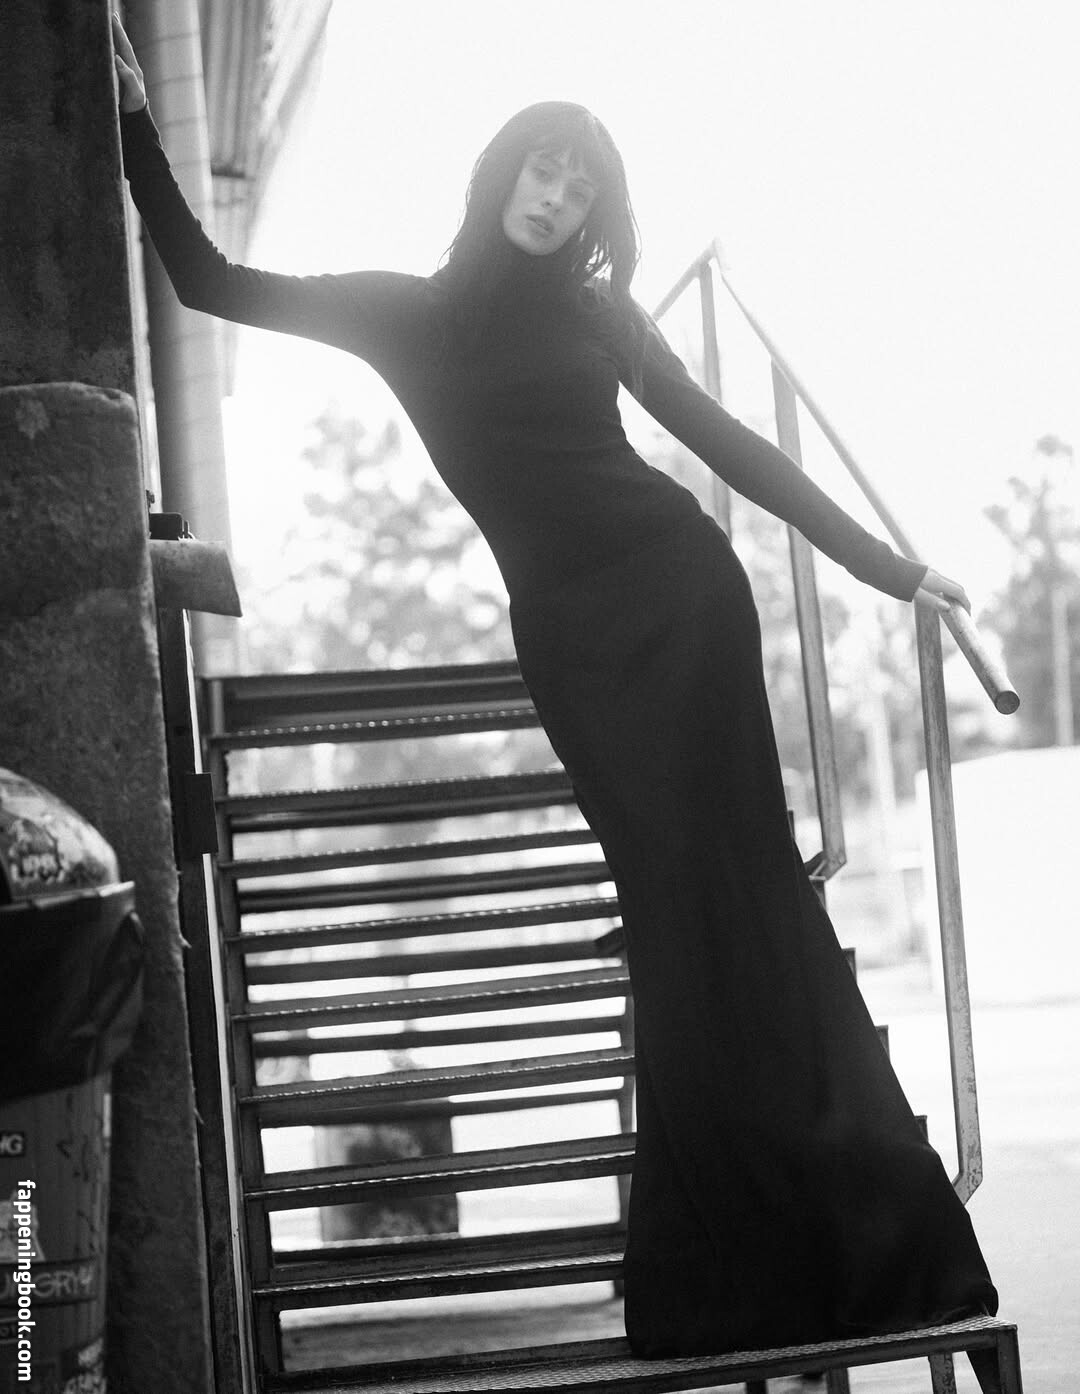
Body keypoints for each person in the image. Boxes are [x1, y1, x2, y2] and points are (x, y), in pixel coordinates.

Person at [113, 16, 997, 1357]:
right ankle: (738, 1270)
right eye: (545, 169)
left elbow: (727, 444)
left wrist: (893, 568)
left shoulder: (598, 312)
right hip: (582, 650)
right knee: (675, 924)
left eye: (583, 187)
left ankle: (857, 1256)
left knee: (749, 914)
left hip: (688, 609)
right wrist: (131, 116)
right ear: (501, 171)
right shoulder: (405, 314)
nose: (558, 198)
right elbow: (206, 278)